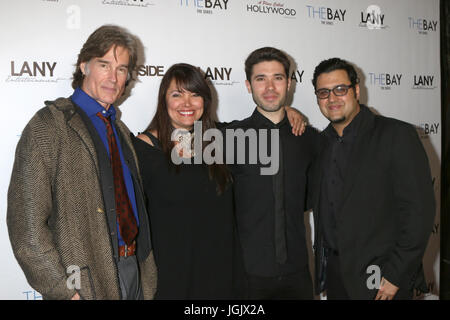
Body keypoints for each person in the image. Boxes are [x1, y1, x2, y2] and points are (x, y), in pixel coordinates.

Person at [7, 25, 157, 300]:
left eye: (122, 69)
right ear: (84, 65)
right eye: (104, 65)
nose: (114, 77)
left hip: (133, 272)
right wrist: (64, 292)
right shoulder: (47, 126)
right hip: (84, 284)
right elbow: (26, 227)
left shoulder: (121, 130)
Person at [309, 57, 436, 300]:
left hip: (382, 276)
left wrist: (396, 276)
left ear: (356, 90)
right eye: (323, 92)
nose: (332, 98)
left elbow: (419, 213)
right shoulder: (320, 144)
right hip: (335, 275)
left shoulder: (395, 135)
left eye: (340, 89)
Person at [132, 63, 246, 299]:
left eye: (195, 95)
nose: (187, 104)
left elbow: (263, 124)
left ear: (205, 100)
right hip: (172, 279)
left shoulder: (219, 140)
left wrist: (288, 113)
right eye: (177, 95)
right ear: (164, 100)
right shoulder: (142, 149)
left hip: (223, 277)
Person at [223, 47, 319, 299]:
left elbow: (314, 197)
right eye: (260, 79)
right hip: (246, 276)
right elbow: (181, 133)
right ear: (248, 85)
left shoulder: (310, 139)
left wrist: (292, 114)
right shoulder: (227, 137)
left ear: (289, 83)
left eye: (277, 78)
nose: (269, 87)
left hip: (298, 273)